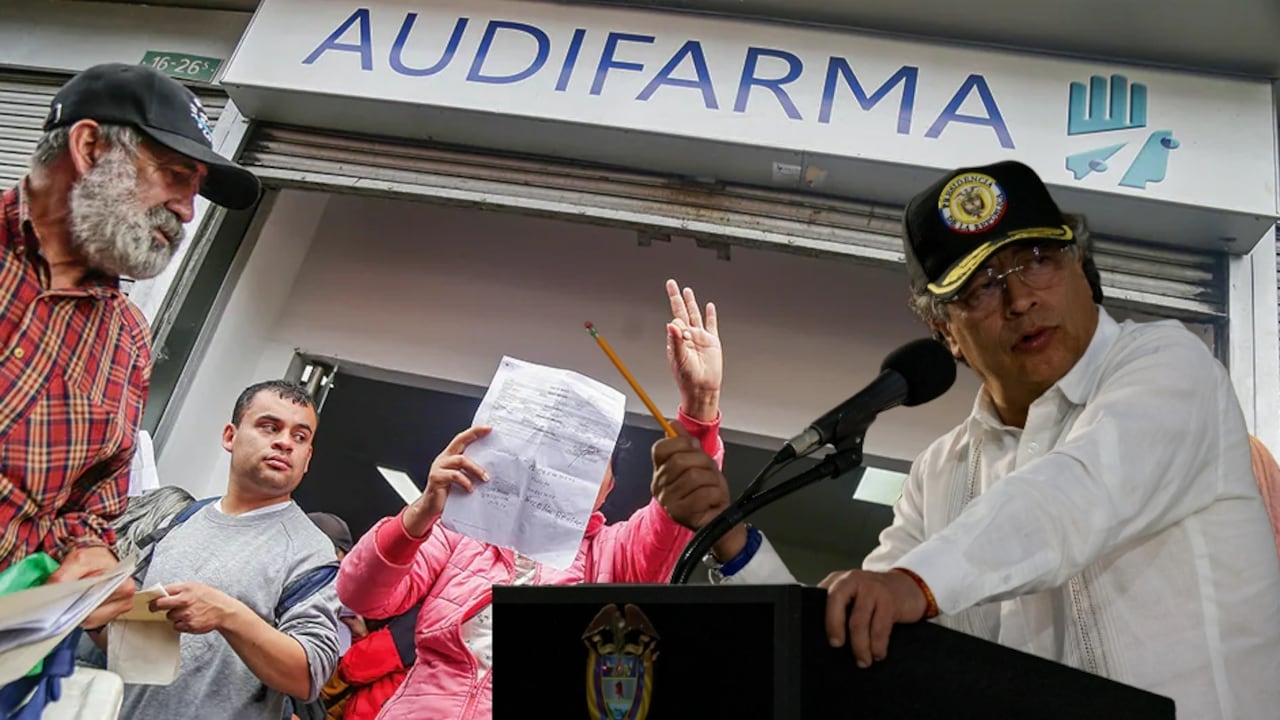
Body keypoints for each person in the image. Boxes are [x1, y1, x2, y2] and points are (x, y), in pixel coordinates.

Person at [655, 160, 1280, 717]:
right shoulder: (941, 471)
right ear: (944, 331)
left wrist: (913, 584)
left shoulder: (1170, 365)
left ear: (1082, 272)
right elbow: (852, 639)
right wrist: (727, 536)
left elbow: (1076, 497)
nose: (1018, 300)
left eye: (1037, 260)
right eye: (980, 287)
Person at [336, 279, 751, 719]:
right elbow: (360, 596)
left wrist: (701, 403)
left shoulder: (611, 556)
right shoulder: (458, 532)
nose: (559, 465)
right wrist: (421, 512)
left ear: (608, 488)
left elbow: (680, 508)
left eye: (588, 460)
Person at [0, 62, 260, 629]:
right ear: (89, 147)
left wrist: (91, 555)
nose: (188, 210)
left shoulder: (127, 341)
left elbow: (95, 506)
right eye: (172, 175)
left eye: (195, 188)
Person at [115, 380, 341, 720]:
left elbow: (309, 675)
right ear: (230, 437)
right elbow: (133, 653)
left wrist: (226, 615)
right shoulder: (179, 521)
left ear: (307, 458)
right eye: (270, 427)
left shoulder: (310, 551)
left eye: (300, 436)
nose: (284, 442)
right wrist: (100, 615)